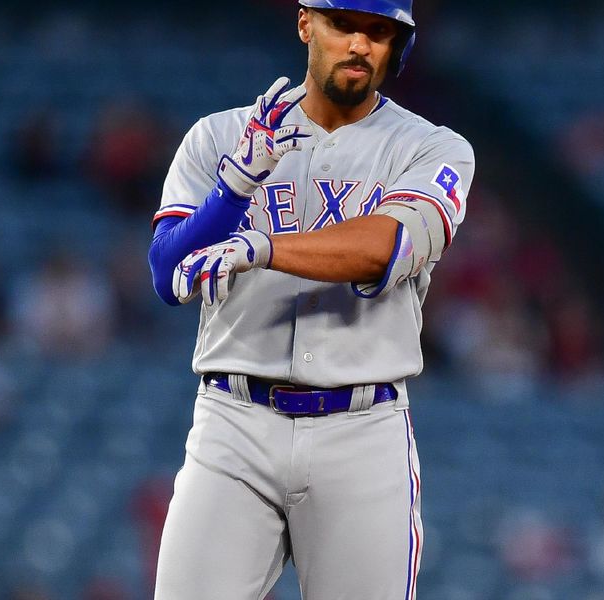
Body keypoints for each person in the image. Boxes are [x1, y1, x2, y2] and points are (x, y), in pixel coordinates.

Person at [147, 2, 474, 598]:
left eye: (378, 32)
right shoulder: (221, 137)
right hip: (234, 423)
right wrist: (232, 189)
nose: (359, 45)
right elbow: (169, 275)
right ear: (306, 25)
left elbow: (388, 244)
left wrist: (262, 247)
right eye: (343, 25)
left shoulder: (432, 149)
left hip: (363, 431)